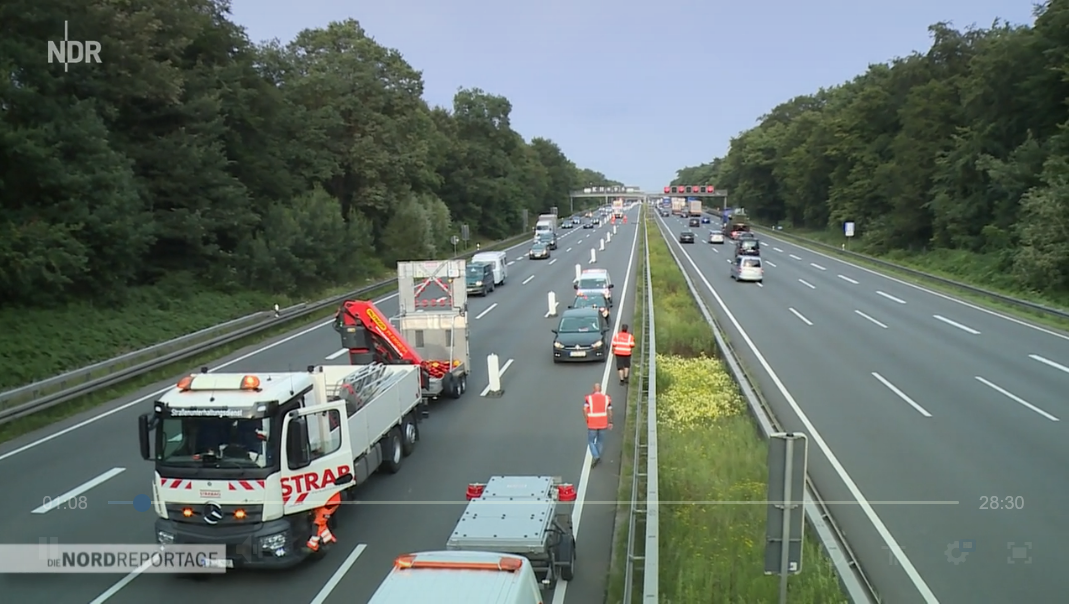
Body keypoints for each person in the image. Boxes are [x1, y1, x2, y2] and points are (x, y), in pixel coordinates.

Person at [583, 383, 612, 467]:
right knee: (600, 441)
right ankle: (597, 455)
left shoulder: (589, 398)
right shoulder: (607, 398)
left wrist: (587, 418)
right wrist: (610, 422)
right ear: (601, 389)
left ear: (593, 389)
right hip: (603, 423)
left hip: (592, 423)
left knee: (591, 441)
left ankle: (596, 456)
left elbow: (584, 409)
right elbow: (610, 411)